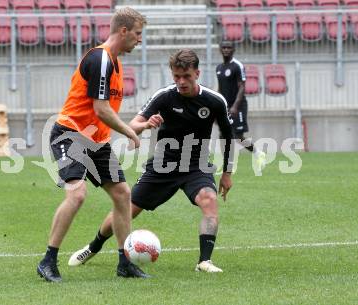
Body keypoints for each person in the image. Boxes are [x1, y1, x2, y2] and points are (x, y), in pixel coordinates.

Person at [68, 49, 234, 274]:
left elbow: (227, 135)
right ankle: (93, 246)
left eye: (186, 76)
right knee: (126, 209)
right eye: (176, 76)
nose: (181, 82)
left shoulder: (215, 101)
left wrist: (227, 172)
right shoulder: (164, 96)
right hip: (163, 166)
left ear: (197, 73)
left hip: (196, 165)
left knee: (209, 200)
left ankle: (204, 261)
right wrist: (146, 124)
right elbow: (132, 125)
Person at [36, 7, 150, 283]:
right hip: (70, 134)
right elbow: (100, 109)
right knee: (77, 195)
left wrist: (135, 127)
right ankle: (48, 261)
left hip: (96, 141)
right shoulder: (100, 59)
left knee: (123, 194)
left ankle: (125, 262)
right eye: (137, 34)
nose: (139, 39)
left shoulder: (115, 63)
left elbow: (102, 114)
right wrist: (129, 133)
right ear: (123, 31)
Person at [216, 40, 265, 173]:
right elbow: (220, 88)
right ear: (220, 49)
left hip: (238, 105)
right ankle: (227, 166)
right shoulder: (219, 68)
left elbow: (242, 87)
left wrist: (235, 106)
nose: (226, 49)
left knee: (237, 135)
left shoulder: (237, 66)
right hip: (225, 106)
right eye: (224, 47)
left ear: (233, 50)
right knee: (223, 135)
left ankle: (257, 153)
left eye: (229, 47)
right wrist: (217, 105)